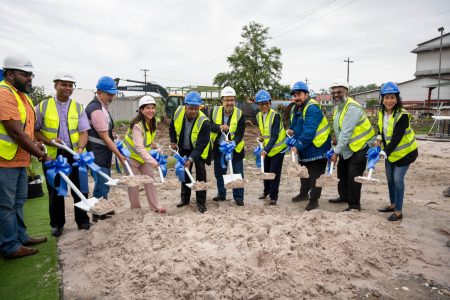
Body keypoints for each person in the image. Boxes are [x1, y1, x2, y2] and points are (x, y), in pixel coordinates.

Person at [0, 53, 50, 259]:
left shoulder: (23, 96)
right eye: (24, 74)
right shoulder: (4, 94)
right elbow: (15, 132)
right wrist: (39, 153)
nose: (29, 78)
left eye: (31, 74)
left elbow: (26, 130)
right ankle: (10, 246)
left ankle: (21, 236)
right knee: (6, 204)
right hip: (5, 160)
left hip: (20, 158)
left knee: (19, 201)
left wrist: (35, 143)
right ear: (10, 74)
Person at [34, 70, 91, 237]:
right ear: (55, 85)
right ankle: (57, 224)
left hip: (74, 154)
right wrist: (49, 140)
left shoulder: (79, 107)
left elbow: (83, 132)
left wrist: (80, 149)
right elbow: (35, 131)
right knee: (55, 190)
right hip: (52, 155)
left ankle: (82, 220)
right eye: (63, 84)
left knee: (80, 188)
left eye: (70, 85)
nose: (67, 87)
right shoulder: (43, 106)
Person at [329, 82, 375, 211]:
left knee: (353, 175)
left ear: (346, 93)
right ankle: (344, 196)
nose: (336, 95)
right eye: (334, 92)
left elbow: (347, 132)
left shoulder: (352, 107)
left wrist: (336, 152)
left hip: (361, 145)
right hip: (348, 146)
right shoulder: (339, 107)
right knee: (342, 172)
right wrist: (336, 141)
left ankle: (354, 205)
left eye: (339, 92)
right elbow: (340, 129)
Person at [375, 82, 418, 221]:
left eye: (392, 97)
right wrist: (378, 139)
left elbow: (397, 138)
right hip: (391, 153)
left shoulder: (402, 115)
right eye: (386, 97)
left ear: (397, 98)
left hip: (405, 153)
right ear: (382, 99)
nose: (389, 101)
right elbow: (380, 129)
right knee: (390, 179)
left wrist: (384, 152)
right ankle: (392, 204)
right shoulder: (381, 112)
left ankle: (398, 211)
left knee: (398, 180)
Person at [85, 76, 126, 221]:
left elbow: (105, 131)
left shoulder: (102, 107)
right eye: (109, 94)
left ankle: (103, 208)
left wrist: (111, 132)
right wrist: (120, 156)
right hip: (98, 153)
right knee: (102, 182)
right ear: (99, 92)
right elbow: (105, 138)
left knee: (105, 181)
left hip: (101, 151)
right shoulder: (96, 109)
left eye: (113, 94)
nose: (112, 97)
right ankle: (98, 212)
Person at [287, 81, 331, 211]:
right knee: (304, 174)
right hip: (306, 148)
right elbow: (294, 125)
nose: (296, 97)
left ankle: (314, 201)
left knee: (315, 176)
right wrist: (290, 130)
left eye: (299, 94)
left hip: (318, 148)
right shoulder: (297, 107)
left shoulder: (312, 108)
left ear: (306, 94)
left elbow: (309, 133)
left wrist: (297, 146)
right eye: (294, 95)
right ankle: (303, 194)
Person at [169, 91, 211, 213]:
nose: (193, 111)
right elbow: (172, 127)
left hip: (199, 151)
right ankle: (185, 199)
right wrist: (173, 141)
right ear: (185, 106)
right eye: (190, 108)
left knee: (200, 175)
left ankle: (201, 202)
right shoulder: (178, 112)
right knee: (185, 174)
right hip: (183, 148)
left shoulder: (204, 122)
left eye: (196, 108)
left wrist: (191, 159)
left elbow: (201, 145)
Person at [123, 95, 166, 213]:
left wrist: (153, 144)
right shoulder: (137, 126)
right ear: (141, 110)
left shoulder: (153, 123)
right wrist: (155, 163)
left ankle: (155, 206)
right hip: (131, 158)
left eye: (152, 108)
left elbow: (146, 139)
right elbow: (140, 148)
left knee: (150, 181)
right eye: (147, 108)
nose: (151, 110)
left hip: (143, 159)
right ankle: (136, 209)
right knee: (133, 185)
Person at [210, 86, 245, 206]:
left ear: (235, 100)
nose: (229, 102)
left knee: (237, 173)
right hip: (219, 148)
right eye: (226, 99)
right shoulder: (214, 111)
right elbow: (209, 126)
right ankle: (221, 194)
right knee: (219, 173)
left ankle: (239, 197)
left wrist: (233, 143)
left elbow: (240, 133)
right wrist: (219, 127)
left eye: (232, 100)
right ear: (222, 101)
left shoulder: (240, 113)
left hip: (235, 149)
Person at [255, 89, 287, 205]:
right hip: (267, 148)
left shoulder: (275, 116)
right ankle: (266, 192)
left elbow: (274, 136)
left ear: (270, 103)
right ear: (258, 104)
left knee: (274, 173)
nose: (264, 106)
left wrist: (265, 150)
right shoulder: (258, 116)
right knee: (266, 171)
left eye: (266, 103)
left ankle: (273, 197)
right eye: (261, 103)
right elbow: (265, 132)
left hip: (278, 149)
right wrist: (262, 138)